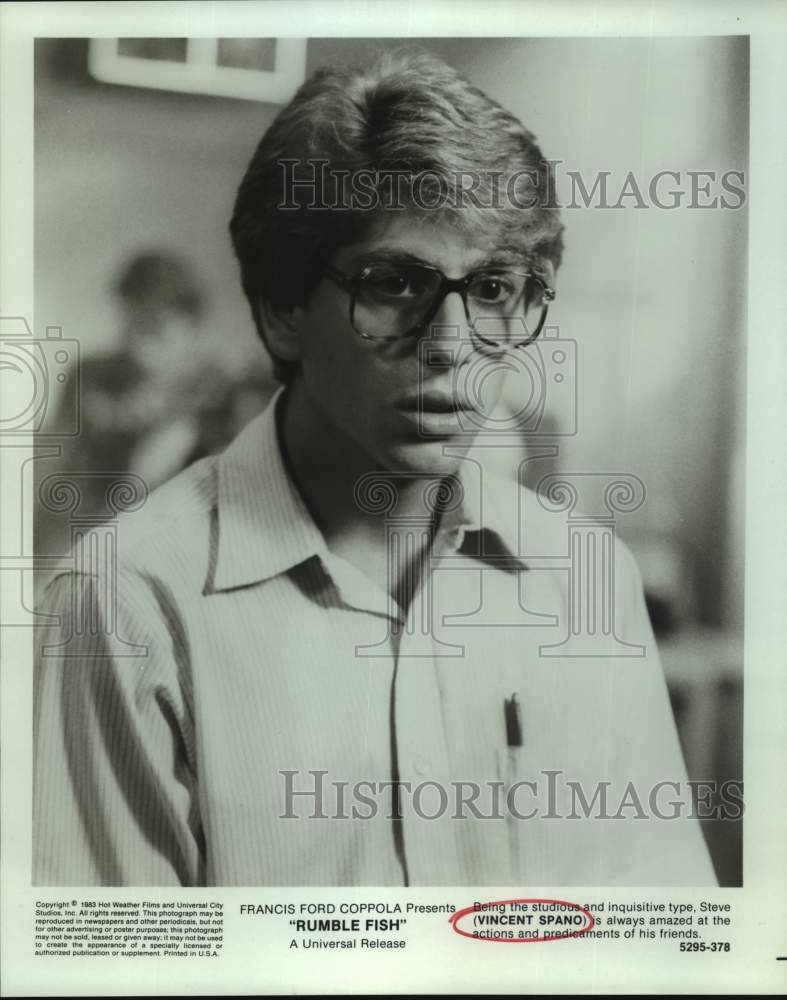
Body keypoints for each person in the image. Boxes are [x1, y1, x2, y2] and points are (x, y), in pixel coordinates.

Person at [33, 50, 716, 887]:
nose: (452, 346)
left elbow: (654, 930)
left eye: (495, 288)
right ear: (282, 311)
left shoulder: (586, 578)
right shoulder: (124, 604)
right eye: (393, 284)